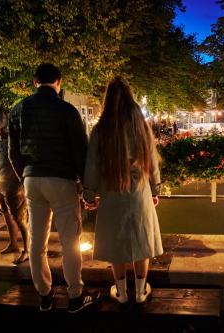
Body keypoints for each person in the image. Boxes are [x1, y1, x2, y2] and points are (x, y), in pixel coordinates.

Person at [8, 63, 98, 313]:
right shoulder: (67, 111)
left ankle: (44, 295)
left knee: (37, 240)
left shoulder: (18, 110)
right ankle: (75, 296)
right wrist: (87, 188)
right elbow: (80, 152)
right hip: (61, 179)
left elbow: (11, 152)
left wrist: (24, 176)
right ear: (58, 82)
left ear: (35, 83)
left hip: (32, 180)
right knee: (70, 239)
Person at [83, 77, 163, 304]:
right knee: (141, 238)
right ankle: (139, 292)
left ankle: (121, 292)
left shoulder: (101, 129)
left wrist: (89, 194)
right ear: (131, 98)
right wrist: (155, 188)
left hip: (112, 189)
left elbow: (92, 164)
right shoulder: (141, 126)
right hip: (139, 191)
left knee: (116, 242)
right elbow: (153, 161)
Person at [0, 111, 28, 264]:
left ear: (7, 119)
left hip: (14, 182)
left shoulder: (15, 138)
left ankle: (27, 249)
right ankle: (13, 244)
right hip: (0, 181)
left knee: (19, 217)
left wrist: (21, 180)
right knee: (5, 214)